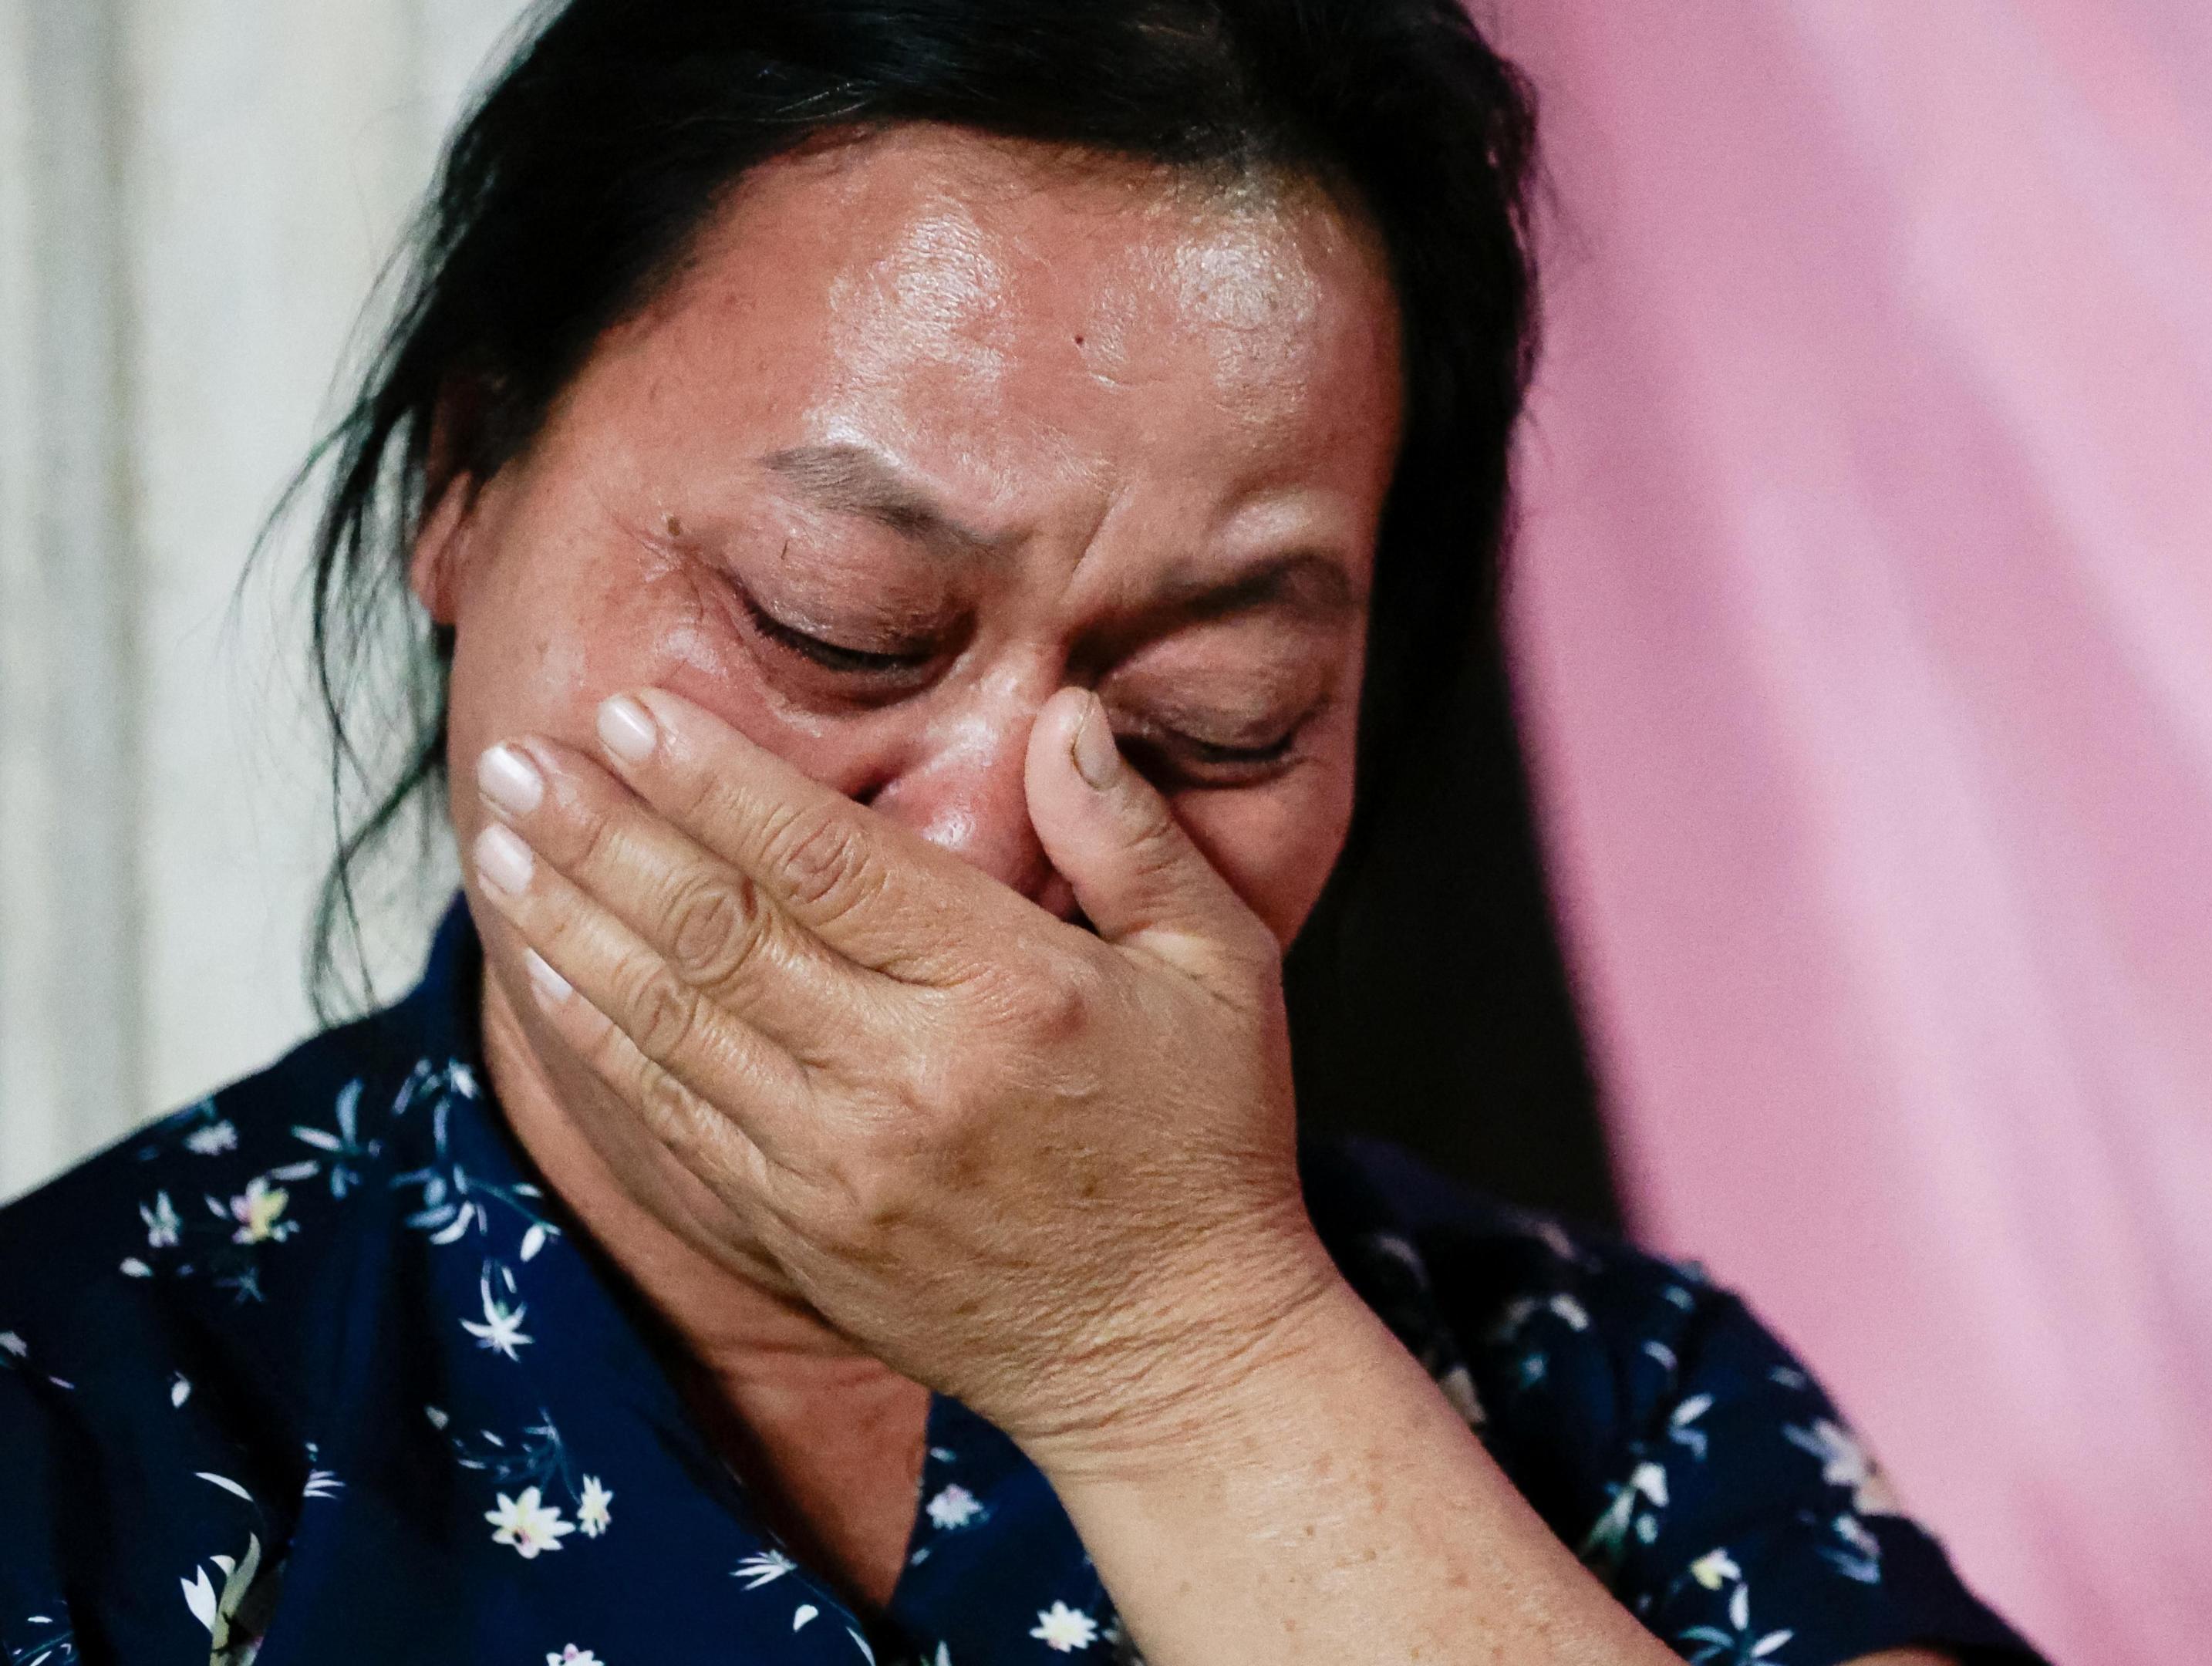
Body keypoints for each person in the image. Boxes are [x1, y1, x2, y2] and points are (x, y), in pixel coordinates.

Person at [0, 4, 2047, 1663]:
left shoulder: (1625, 1405)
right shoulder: (73, 1428)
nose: (993, 840)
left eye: (1208, 726)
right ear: (467, 478)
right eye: (835, 621)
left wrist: (1179, 1356)